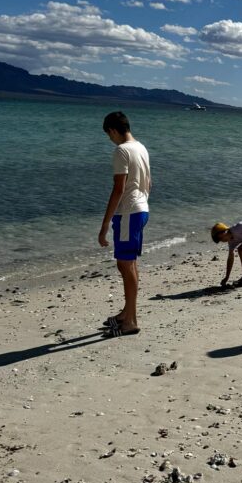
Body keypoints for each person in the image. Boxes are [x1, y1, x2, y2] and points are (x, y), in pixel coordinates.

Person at [98, 111, 151, 337]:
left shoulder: (121, 151)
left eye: (109, 135)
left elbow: (118, 189)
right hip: (141, 209)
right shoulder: (141, 148)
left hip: (129, 212)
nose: (110, 139)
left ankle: (130, 321)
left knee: (126, 266)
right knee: (129, 265)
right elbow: (150, 182)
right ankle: (127, 313)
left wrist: (105, 224)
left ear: (113, 130)